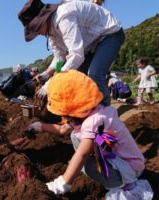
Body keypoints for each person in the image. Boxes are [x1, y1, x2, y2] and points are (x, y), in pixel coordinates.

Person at [27, 70, 153, 199]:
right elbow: (62, 130)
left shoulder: (94, 120)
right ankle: (111, 173)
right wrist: (40, 126)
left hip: (129, 169)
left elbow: (82, 154)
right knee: (75, 136)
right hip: (119, 159)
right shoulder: (88, 112)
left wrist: (62, 183)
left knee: (85, 166)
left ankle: (124, 186)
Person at [18, 0, 125, 106]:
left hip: (109, 34)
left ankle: (104, 114)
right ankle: (85, 109)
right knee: (76, 76)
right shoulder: (51, 34)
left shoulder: (64, 17)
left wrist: (51, 83)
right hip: (91, 44)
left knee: (94, 74)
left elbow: (77, 55)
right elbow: (59, 57)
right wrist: (46, 74)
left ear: (43, 18)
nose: (37, 33)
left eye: (36, 28)